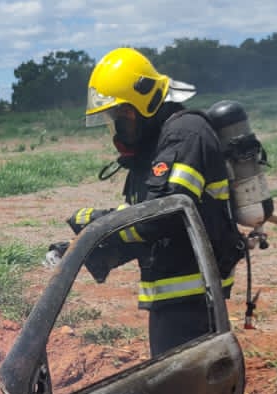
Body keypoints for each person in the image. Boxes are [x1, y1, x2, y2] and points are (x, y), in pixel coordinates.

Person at [58, 47, 250, 357]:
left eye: (122, 115)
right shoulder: (156, 144)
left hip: (193, 294)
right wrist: (88, 250)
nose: (118, 127)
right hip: (175, 294)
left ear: (143, 103)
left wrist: (98, 223)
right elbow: (151, 230)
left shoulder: (186, 134)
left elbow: (162, 216)